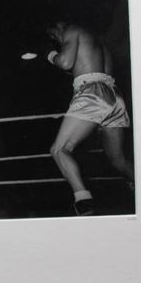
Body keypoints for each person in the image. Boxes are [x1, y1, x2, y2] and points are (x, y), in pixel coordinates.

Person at [46, 21, 135, 216]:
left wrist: (51, 55)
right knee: (118, 160)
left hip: (92, 93)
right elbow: (84, 67)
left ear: (58, 27)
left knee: (59, 150)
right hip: (114, 96)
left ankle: (83, 201)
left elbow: (65, 62)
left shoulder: (72, 31)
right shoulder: (97, 40)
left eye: (54, 36)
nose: (57, 41)